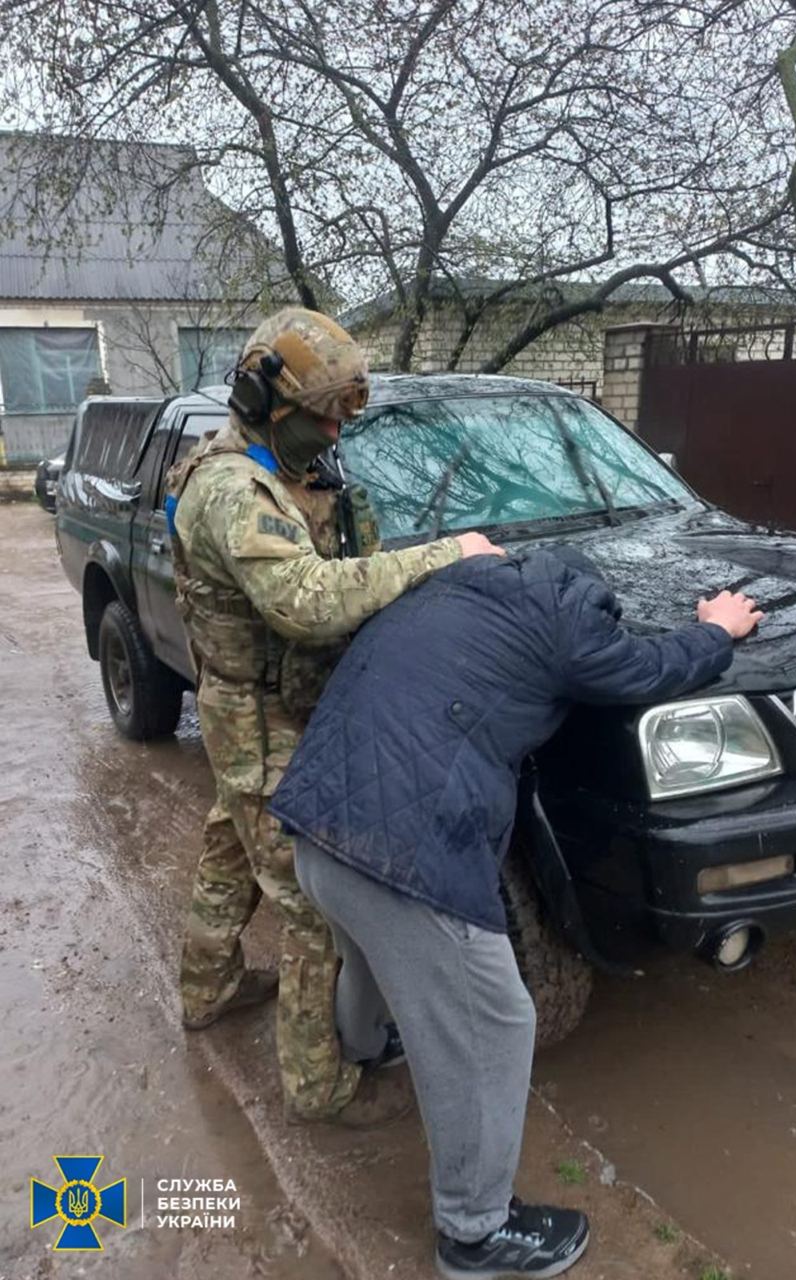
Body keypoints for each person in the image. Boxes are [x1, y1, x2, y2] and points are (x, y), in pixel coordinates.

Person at [267, 545, 763, 1278]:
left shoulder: (443, 588)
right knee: (493, 1022)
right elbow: (647, 670)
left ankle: (368, 1047)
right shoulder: (569, 616)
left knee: (372, 951)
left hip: (316, 828)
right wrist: (716, 630)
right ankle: (474, 1232)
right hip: (404, 858)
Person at [167, 306, 502, 1124]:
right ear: (259, 401)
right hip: (255, 715)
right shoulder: (231, 489)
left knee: (230, 846)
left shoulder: (300, 475)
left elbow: (347, 558)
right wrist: (447, 554)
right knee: (312, 910)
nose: (332, 427)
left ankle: (206, 989)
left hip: (277, 707)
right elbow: (309, 603)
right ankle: (321, 1089)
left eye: (342, 410)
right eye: (320, 412)